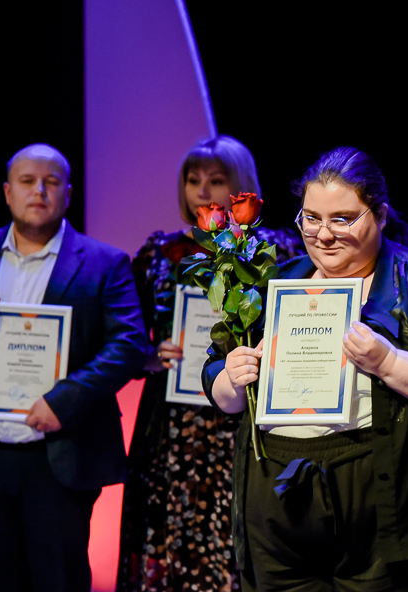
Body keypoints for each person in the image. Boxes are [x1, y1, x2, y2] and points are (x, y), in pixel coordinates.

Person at [203, 147, 408, 591]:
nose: (323, 234)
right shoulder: (274, 285)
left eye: (342, 219)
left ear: (379, 215)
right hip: (277, 513)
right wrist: (231, 379)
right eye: (311, 218)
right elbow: (216, 378)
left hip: (380, 509)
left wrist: (390, 363)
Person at [0, 143, 148, 591]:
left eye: (51, 182)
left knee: (60, 581)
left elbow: (129, 345)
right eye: (28, 181)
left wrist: (62, 402)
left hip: (60, 456)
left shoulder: (105, 262)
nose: (39, 192)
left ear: (68, 193)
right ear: (7, 191)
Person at [117, 135, 302, 592]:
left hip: (242, 415)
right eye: (192, 180)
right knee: (168, 533)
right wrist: (150, 356)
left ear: (241, 186)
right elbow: (125, 337)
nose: (202, 190)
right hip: (172, 425)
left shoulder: (273, 252)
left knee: (237, 536)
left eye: (216, 181)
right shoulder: (159, 254)